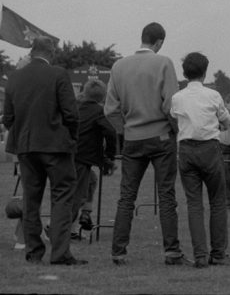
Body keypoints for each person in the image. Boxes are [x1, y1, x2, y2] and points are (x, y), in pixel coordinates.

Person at [105, 22, 187, 266]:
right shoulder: (164, 63)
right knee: (166, 195)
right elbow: (170, 105)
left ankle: (118, 252)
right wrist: (175, 132)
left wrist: (126, 130)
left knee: (126, 197)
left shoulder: (118, 66)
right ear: (159, 42)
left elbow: (110, 110)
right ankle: (172, 252)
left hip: (132, 139)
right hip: (161, 137)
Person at [1, 35, 85, 265]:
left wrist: (23, 132)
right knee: (62, 197)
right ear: (52, 53)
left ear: (31, 52)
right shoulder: (58, 74)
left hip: (26, 147)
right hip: (56, 146)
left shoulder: (15, 77)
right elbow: (71, 114)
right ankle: (60, 253)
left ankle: (33, 252)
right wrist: (71, 138)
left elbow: (8, 117)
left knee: (31, 199)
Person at [169, 52, 230, 268]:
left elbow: (174, 117)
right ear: (205, 72)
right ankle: (218, 253)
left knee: (194, 204)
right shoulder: (213, 95)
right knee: (217, 201)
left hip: (186, 150)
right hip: (209, 148)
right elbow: (226, 123)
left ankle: (199, 256)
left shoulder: (177, 97)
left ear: (185, 73)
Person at [70, 79, 117, 239]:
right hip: (82, 157)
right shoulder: (97, 111)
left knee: (90, 180)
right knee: (76, 195)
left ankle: (84, 214)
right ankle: (57, 227)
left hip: (67, 154)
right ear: (102, 97)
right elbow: (110, 132)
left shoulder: (74, 107)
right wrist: (110, 157)